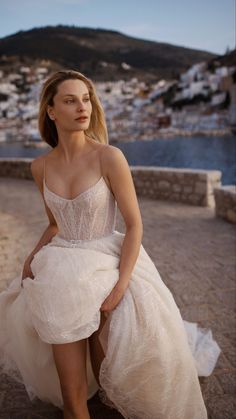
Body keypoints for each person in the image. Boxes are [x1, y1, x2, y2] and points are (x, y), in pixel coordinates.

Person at [0, 70, 221, 419]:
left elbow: (134, 225)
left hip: (107, 264)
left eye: (86, 99)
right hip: (62, 270)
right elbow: (55, 223)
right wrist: (32, 255)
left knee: (114, 386)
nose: (82, 107)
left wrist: (120, 285)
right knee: (71, 397)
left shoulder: (109, 157)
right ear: (51, 111)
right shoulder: (39, 167)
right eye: (70, 100)